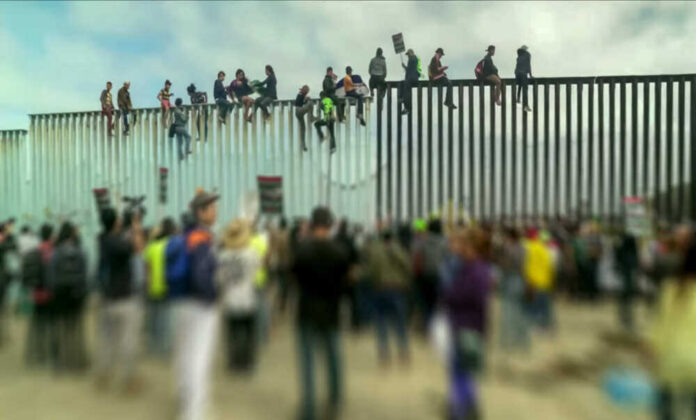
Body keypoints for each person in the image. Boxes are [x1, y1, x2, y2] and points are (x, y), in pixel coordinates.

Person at [291, 207, 350, 420]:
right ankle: (335, 399)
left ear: (312, 224)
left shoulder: (301, 250)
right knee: (334, 357)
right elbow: (345, 283)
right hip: (331, 310)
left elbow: (295, 278)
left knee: (307, 362)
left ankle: (308, 409)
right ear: (330, 225)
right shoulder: (339, 252)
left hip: (307, 309)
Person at [175, 190, 220, 420]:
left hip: (183, 301)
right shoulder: (201, 239)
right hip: (200, 305)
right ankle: (194, 413)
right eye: (211, 207)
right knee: (199, 357)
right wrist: (213, 296)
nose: (216, 211)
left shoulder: (186, 235)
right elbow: (202, 276)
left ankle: (185, 401)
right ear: (201, 212)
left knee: (186, 354)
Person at [442, 228, 492, 420]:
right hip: (466, 325)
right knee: (463, 372)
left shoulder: (476, 270)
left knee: (461, 372)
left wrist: (451, 295)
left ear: (473, 247)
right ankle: (468, 408)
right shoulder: (472, 267)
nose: (460, 248)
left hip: (467, 325)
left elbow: (475, 298)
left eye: (464, 245)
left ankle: (460, 412)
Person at [95, 207, 145, 392]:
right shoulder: (117, 243)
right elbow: (139, 248)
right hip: (124, 298)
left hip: (107, 297)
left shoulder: (102, 239)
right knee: (128, 340)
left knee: (107, 339)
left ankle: (103, 374)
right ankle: (129, 379)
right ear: (116, 222)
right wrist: (137, 227)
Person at [648, 240, 696, 420]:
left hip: (672, 359)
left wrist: (651, 348)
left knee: (665, 407)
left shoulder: (671, 288)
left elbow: (660, 325)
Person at [217, 219, 262, 372]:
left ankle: (233, 362)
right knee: (249, 334)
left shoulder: (222, 256)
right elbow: (257, 270)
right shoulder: (251, 254)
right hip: (248, 298)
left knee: (232, 334)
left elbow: (219, 278)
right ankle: (247, 363)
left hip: (230, 299)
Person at [365, 228, 412, 366]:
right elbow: (408, 267)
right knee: (400, 323)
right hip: (397, 289)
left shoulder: (376, 251)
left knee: (381, 323)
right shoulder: (400, 250)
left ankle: (384, 354)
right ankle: (403, 352)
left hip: (380, 288)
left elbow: (371, 270)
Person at [47, 221, 88, 372]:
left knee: (59, 328)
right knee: (75, 328)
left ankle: (59, 364)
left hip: (59, 294)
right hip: (75, 294)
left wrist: (53, 292)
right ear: (72, 233)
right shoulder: (80, 251)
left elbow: (51, 276)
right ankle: (77, 362)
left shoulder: (56, 252)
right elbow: (84, 276)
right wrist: (83, 293)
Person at [143, 218, 176, 355]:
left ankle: (153, 347)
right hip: (166, 286)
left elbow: (147, 268)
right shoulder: (170, 246)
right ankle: (165, 347)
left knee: (153, 317)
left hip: (152, 287)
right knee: (165, 318)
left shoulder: (151, 247)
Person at [24, 223, 53, 366]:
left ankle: (39, 352)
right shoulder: (54, 250)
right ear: (51, 234)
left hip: (37, 294)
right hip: (51, 294)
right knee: (52, 323)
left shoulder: (36, 251)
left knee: (38, 324)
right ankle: (52, 352)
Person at [497, 226, 530, 352]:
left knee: (508, 311)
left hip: (509, 279)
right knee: (520, 311)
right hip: (520, 279)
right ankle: (522, 340)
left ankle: (506, 341)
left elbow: (503, 265)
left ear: (509, 237)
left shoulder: (507, 249)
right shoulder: (523, 249)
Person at [524, 228, 555, 331]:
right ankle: (546, 325)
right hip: (545, 281)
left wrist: (528, 280)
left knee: (533, 305)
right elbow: (549, 265)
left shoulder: (528, 248)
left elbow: (526, 265)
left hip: (533, 281)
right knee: (544, 305)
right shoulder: (543, 249)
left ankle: (536, 325)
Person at [615, 229, 638, 331]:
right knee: (627, 296)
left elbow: (617, 256)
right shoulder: (631, 251)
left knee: (625, 296)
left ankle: (624, 316)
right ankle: (626, 317)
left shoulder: (622, 248)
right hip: (628, 275)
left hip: (625, 274)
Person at [295, 85, 316, 152]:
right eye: (307, 91)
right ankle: (311, 117)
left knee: (303, 129)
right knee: (310, 103)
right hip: (299, 110)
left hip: (298, 113)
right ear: (305, 91)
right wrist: (306, 99)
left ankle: (303, 145)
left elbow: (301, 103)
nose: (307, 93)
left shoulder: (301, 95)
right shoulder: (301, 94)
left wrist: (305, 99)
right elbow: (298, 103)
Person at [400, 48, 420, 115]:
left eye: (408, 54)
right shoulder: (416, 59)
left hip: (410, 78)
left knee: (407, 93)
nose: (408, 56)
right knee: (407, 92)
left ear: (411, 53)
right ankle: (403, 99)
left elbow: (409, 69)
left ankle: (406, 106)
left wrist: (404, 66)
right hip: (415, 78)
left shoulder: (411, 59)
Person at [515, 45, 533, 112]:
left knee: (520, 84)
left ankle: (518, 98)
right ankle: (525, 106)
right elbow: (528, 65)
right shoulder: (527, 55)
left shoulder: (519, 56)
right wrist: (530, 75)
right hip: (523, 73)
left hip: (517, 73)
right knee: (525, 89)